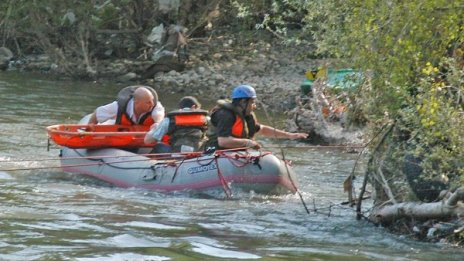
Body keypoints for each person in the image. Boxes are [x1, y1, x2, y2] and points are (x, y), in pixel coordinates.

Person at [205, 84, 308, 151]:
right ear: (243, 102)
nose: (254, 106)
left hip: (236, 153)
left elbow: (262, 130)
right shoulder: (226, 115)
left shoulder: (246, 116)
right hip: (216, 151)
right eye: (252, 102)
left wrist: (290, 135)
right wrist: (248, 142)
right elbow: (223, 141)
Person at [144, 96, 208, 153]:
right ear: (194, 107)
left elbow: (148, 141)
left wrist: (154, 128)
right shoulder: (205, 119)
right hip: (197, 154)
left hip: (176, 154)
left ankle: (149, 165)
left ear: (180, 109)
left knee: (158, 146)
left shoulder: (169, 120)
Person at [88, 85, 164, 128]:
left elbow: (158, 115)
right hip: (123, 143)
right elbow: (97, 113)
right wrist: (90, 127)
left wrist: (157, 123)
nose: (152, 104)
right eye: (148, 102)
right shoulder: (119, 107)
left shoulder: (155, 106)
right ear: (137, 102)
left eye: (152, 100)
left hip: (145, 141)